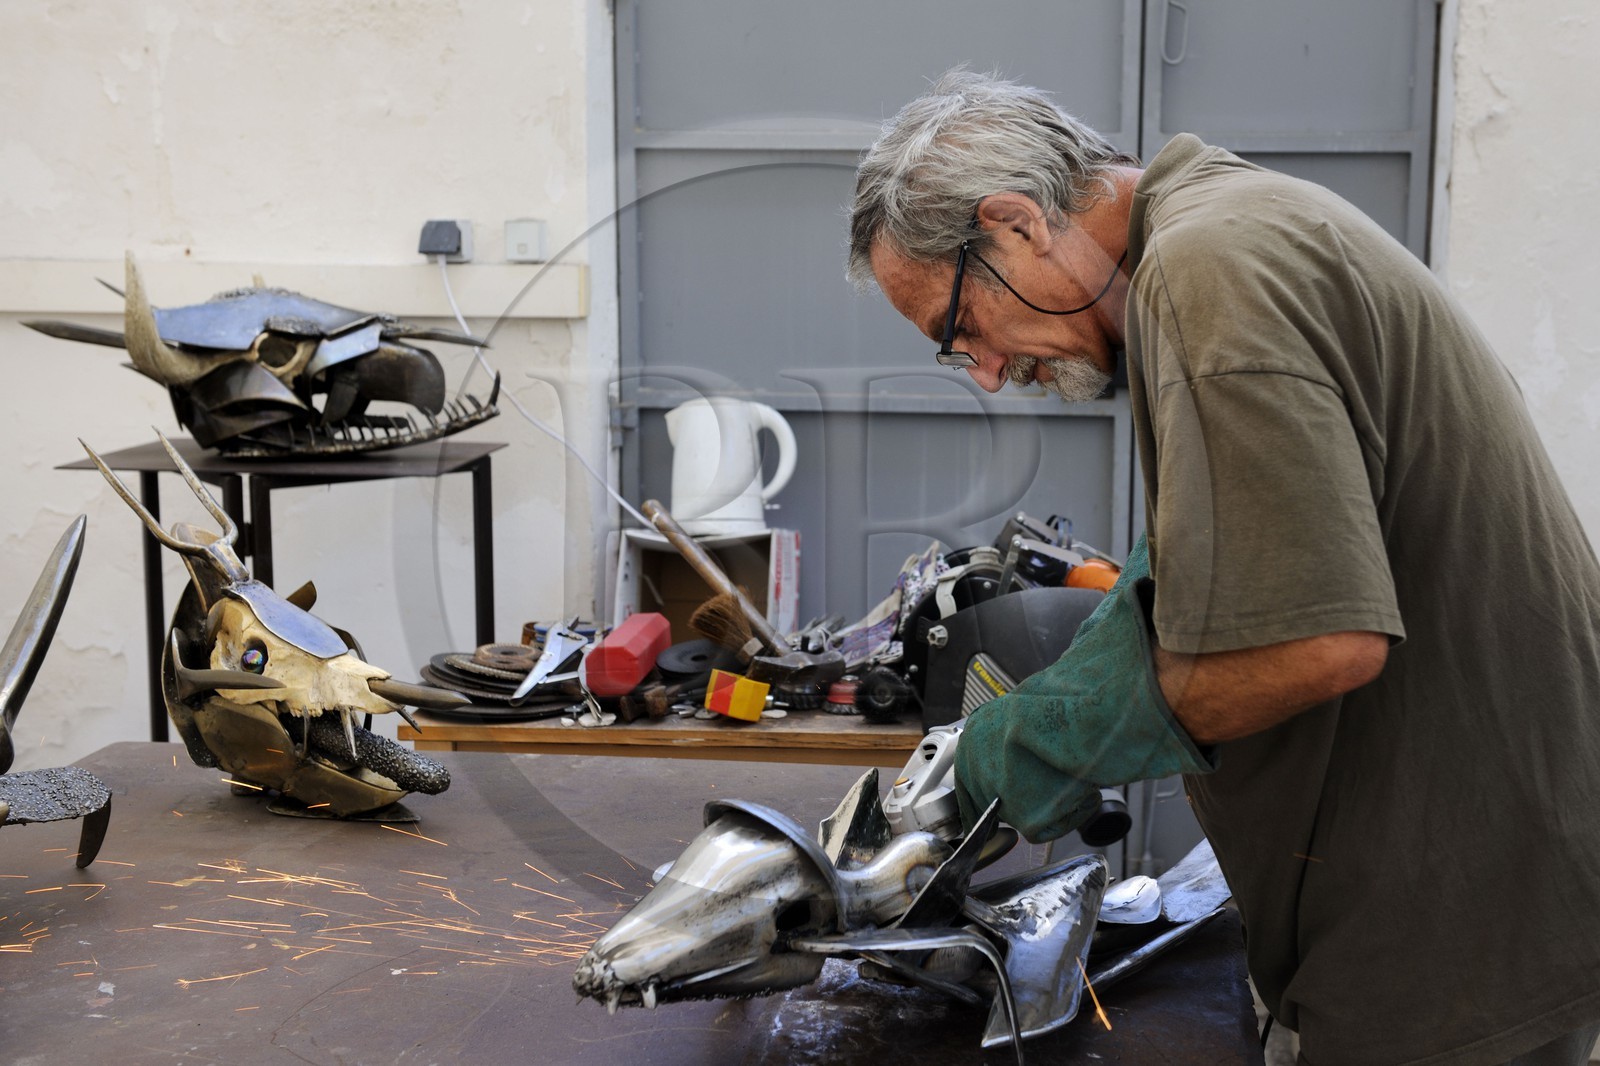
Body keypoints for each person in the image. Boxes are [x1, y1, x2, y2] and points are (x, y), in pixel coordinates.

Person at [848, 69, 1600, 1065]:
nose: (986, 372)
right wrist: (1055, 696)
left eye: (959, 332)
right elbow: (1202, 573)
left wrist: (1030, 749)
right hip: (1456, 900)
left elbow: (1310, 643)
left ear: (1016, 225)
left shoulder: (1208, 275)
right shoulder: (1222, 234)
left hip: (1454, 950)